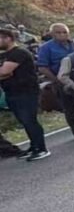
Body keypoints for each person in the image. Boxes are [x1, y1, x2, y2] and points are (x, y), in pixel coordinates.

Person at [0, 25, 49, 160]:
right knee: (23, 121)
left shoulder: (19, 53)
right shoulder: (4, 56)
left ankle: (41, 148)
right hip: (11, 92)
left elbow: (4, 71)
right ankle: (33, 146)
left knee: (29, 120)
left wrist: (5, 72)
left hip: (26, 92)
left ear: (8, 38)